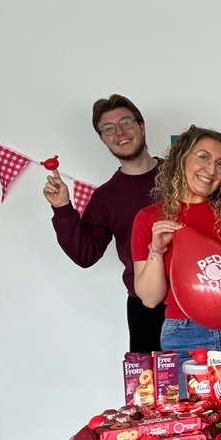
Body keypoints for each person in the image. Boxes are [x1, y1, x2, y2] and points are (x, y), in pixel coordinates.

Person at [131, 126, 221, 393]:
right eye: (203, 157)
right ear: (182, 158)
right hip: (183, 336)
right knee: (194, 427)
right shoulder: (149, 218)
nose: (211, 169)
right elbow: (149, 298)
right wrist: (156, 251)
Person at [43, 94, 165, 352]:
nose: (119, 132)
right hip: (147, 308)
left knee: (212, 386)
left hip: (198, 293)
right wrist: (62, 207)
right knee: (152, 390)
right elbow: (85, 254)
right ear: (102, 139)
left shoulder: (181, 175)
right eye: (108, 128)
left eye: (125, 122)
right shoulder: (105, 197)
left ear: (141, 127)